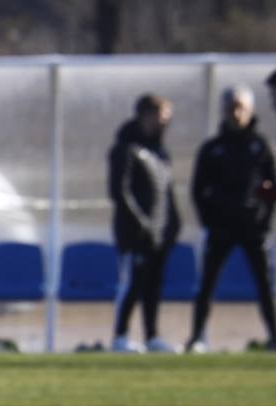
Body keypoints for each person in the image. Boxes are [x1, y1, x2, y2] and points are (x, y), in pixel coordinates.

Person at [185, 85, 276, 353]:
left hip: (253, 229)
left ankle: (273, 335)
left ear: (249, 111)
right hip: (221, 228)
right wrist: (209, 221)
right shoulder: (213, 148)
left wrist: (263, 220)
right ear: (223, 111)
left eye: (241, 108)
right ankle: (197, 337)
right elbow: (198, 189)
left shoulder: (260, 147)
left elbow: (271, 188)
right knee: (207, 284)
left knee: (264, 284)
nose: (236, 114)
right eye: (231, 108)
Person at [107, 93, 180, 354]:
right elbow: (119, 191)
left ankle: (152, 335)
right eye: (160, 118)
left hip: (158, 233)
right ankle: (120, 336)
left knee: (153, 285)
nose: (164, 124)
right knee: (132, 283)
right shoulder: (125, 149)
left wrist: (172, 223)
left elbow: (166, 192)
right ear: (144, 116)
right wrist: (142, 223)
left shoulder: (159, 152)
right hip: (135, 234)